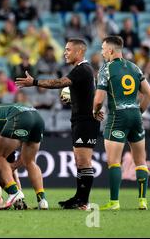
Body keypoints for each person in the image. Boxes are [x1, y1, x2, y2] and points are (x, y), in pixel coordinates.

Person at [17, 38, 100, 210]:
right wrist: (74, 100)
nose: (65, 52)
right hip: (80, 119)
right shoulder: (83, 70)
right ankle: (79, 198)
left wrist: (34, 82)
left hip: (86, 121)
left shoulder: (82, 69)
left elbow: (59, 83)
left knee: (84, 161)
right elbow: (87, 95)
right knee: (79, 160)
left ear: (79, 52)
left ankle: (83, 201)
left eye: (68, 50)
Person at [93, 36, 150, 210]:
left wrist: (95, 111)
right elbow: (149, 94)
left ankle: (114, 202)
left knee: (114, 162)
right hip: (135, 115)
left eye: (103, 48)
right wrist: (138, 111)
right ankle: (143, 201)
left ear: (111, 50)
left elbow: (98, 100)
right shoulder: (134, 67)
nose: (102, 51)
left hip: (117, 117)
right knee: (140, 160)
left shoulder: (106, 69)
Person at [0, 102, 47, 209]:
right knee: (30, 161)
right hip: (37, 117)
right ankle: (42, 199)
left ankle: (13, 192)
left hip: (20, 117)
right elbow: (24, 159)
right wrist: (13, 166)